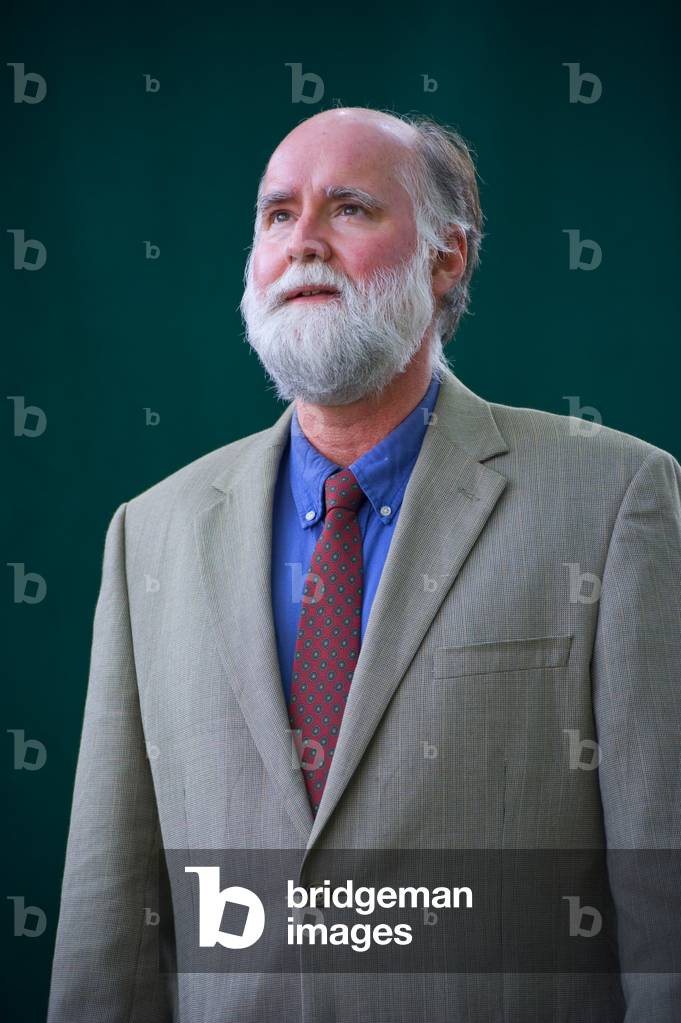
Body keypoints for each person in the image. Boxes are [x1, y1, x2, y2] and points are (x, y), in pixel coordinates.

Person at [47, 106, 680, 1022]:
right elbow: (107, 915)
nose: (303, 242)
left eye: (348, 208)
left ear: (447, 256)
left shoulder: (617, 499)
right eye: (276, 215)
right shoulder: (148, 533)